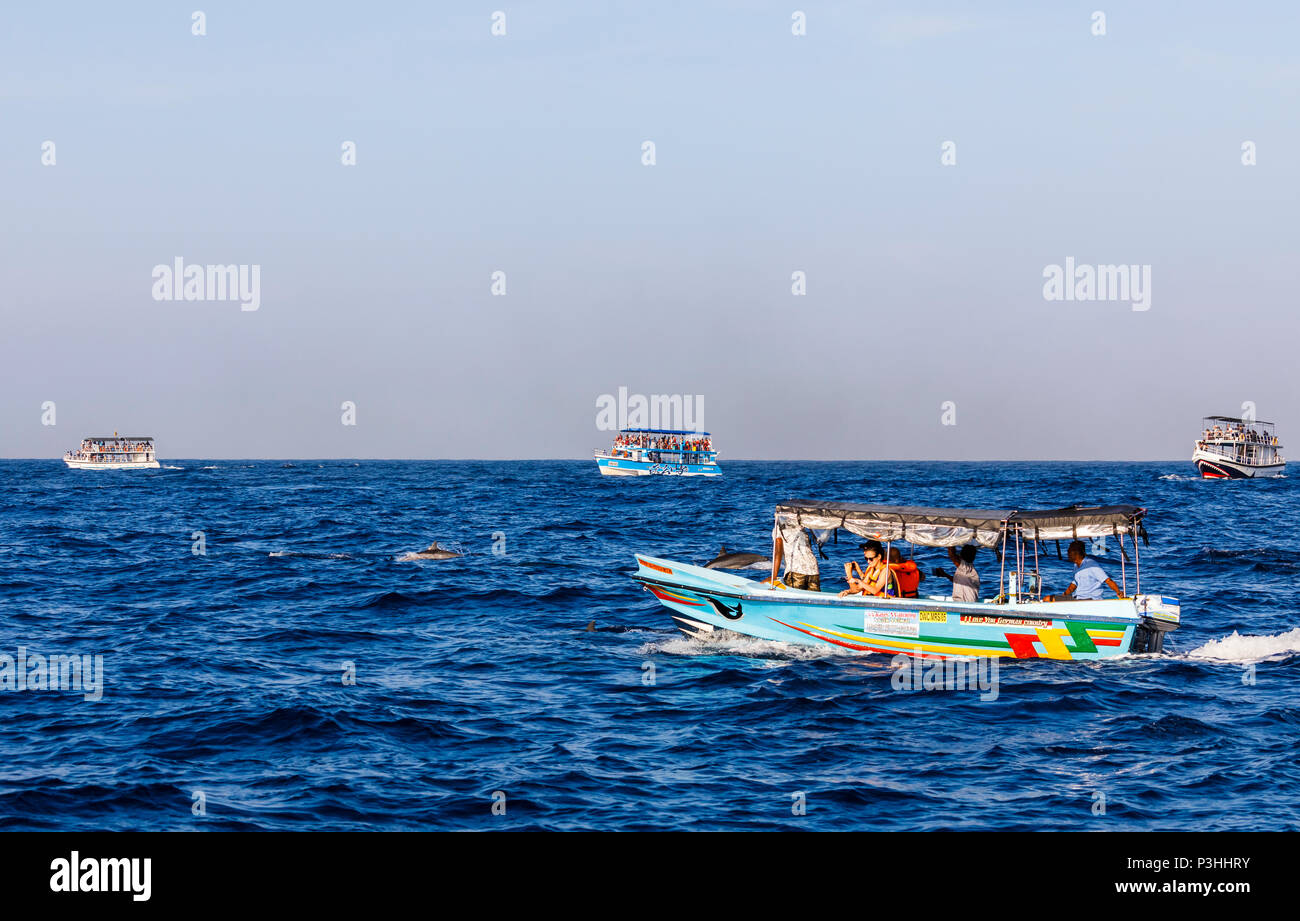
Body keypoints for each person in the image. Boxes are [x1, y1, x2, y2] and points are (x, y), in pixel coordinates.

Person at [1045, 540, 1122, 601]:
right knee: (1047, 599)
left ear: (1076, 553)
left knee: (1048, 599)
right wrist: (1063, 596)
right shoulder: (1076, 565)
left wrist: (1118, 592)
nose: (1067, 553)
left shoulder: (1091, 564)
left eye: (1069, 551)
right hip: (1077, 598)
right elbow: (1074, 585)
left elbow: (1108, 580)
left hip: (1089, 600)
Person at [769, 516, 820, 591]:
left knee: (795, 597)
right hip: (813, 568)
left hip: (796, 570)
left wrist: (774, 576)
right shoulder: (800, 525)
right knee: (814, 599)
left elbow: (778, 552)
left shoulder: (778, 529)